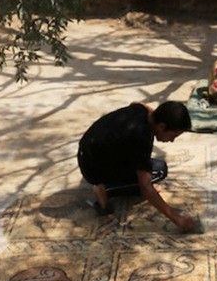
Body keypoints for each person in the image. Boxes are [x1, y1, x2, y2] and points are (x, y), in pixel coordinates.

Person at [76, 100, 199, 233]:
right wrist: (177, 219)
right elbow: (146, 187)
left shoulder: (141, 110)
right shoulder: (140, 138)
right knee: (159, 171)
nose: (172, 140)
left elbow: (136, 102)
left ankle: (105, 181)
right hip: (92, 167)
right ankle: (105, 188)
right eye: (173, 136)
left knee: (147, 166)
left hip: (87, 152)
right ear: (161, 126)